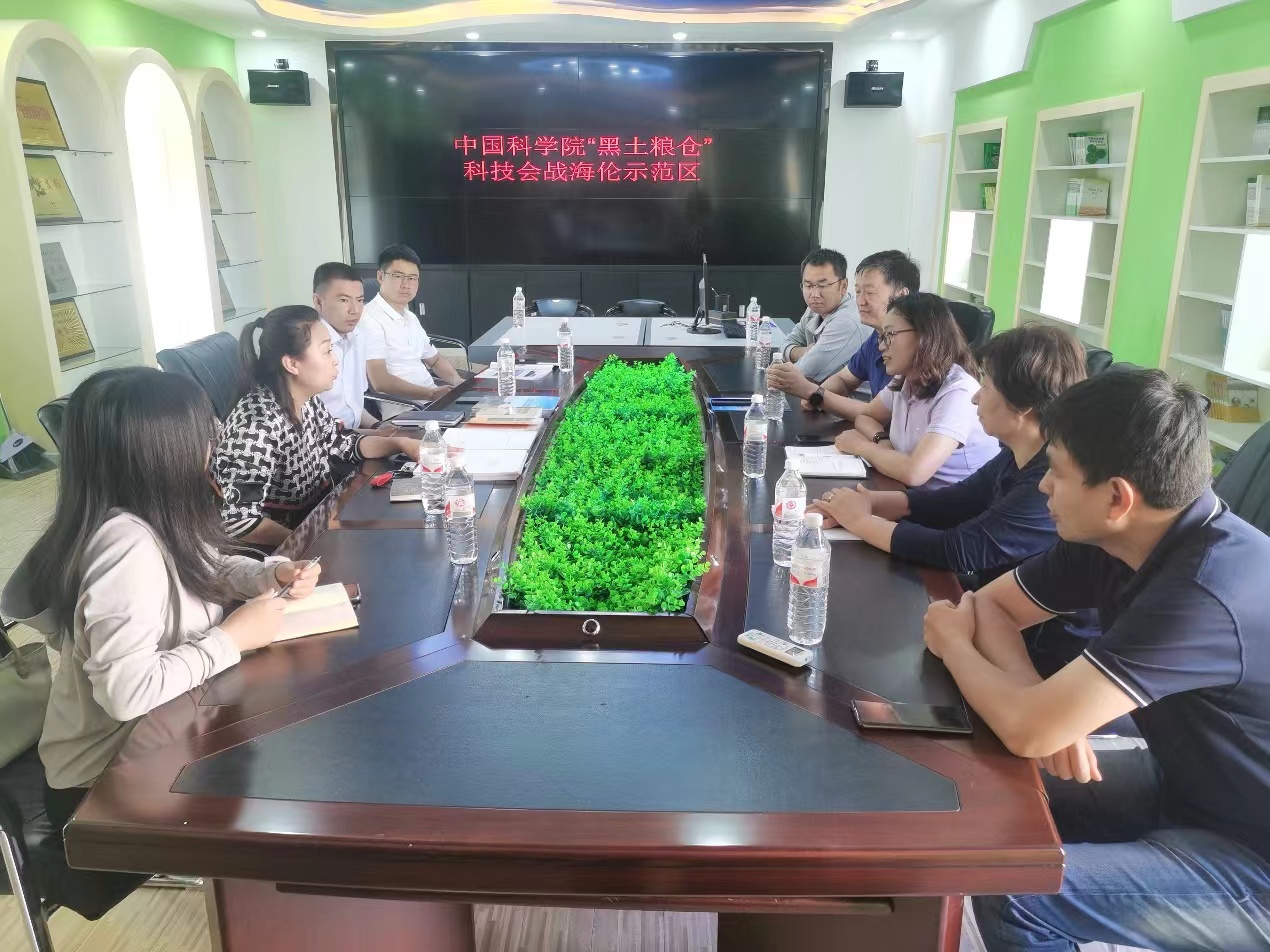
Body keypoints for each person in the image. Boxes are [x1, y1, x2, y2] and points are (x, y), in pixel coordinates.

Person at [922, 369, 1270, 952]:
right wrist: (1046, 707)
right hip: (1191, 789)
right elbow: (993, 608)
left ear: (1116, 497)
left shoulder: (1204, 590)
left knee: (1014, 886)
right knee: (992, 789)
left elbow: (1026, 725)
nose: (1042, 486)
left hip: (1253, 855)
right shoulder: (1119, 538)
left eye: (1057, 472)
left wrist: (954, 644)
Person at [1, 367, 322, 831]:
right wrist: (232, 638)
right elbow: (127, 693)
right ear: (163, 449)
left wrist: (269, 574)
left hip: (165, 731)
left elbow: (206, 565)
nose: (214, 441)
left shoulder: (152, 513)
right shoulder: (125, 547)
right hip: (103, 781)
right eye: (203, 431)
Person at [213, 305, 421, 546]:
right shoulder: (255, 428)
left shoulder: (305, 401)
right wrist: (314, 542)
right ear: (292, 364)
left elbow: (340, 443)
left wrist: (400, 443)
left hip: (317, 522)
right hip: (280, 552)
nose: (335, 361)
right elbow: (241, 523)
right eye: (327, 351)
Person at [832, 292, 998, 488]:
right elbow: (866, 417)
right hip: (910, 494)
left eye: (890, 335)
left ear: (925, 336)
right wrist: (882, 441)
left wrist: (861, 446)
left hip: (955, 504)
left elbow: (915, 473)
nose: (882, 346)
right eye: (882, 336)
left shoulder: (957, 392)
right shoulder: (905, 379)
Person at [768, 250, 919, 420]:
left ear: (901, 296)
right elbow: (845, 379)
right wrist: (816, 396)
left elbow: (880, 414)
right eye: (858, 292)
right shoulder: (876, 337)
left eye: (869, 293)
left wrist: (813, 393)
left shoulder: (916, 350)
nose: (860, 302)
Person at [360, 243, 463, 403]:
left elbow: (435, 360)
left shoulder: (410, 317)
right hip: (408, 408)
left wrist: (458, 382)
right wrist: (430, 394)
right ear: (380, 277)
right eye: (398, 276)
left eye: (412, 278)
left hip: (432, 400)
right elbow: (380, 381)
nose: (406, 284)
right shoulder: (369, 319)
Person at [778, 248, 869, 383]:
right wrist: (804, 352)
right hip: (819, 390)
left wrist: (799, 356)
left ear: (843, 286)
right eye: (808, 285)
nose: (814, 294)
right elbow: (784, 345)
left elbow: (802, 372)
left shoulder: (847, 320)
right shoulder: (815, 309)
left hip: (849, 395)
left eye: (822, 286)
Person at [312, 261, 374, 430]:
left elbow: (354, 406)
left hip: (355, 435)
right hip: (328, 441)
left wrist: (378, 426)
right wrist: (371, 437)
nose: (355, 310)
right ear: (318, 301)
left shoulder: (358, 336)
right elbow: (317, 429)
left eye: (360, 300)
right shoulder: (309, 346)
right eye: (344, 300)